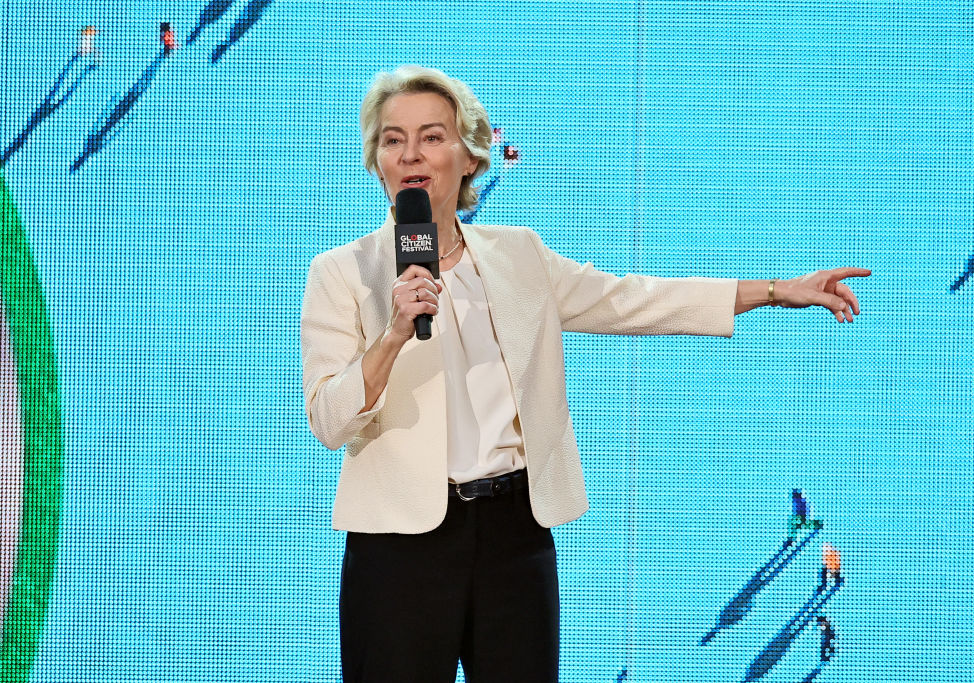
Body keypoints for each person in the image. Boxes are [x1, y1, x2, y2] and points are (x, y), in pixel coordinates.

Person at [300, 65, 871, 683]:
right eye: (392, 138)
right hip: (398, 549)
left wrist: (770, 291)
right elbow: (330, 422)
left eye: (432, 136)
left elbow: (629, 299)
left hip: (513, 537)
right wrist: (391, 335)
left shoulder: (518, 255)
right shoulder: (341, 274)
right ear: (376, 161)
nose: (411, 152)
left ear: (469, 158)